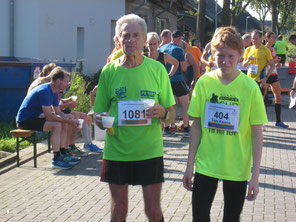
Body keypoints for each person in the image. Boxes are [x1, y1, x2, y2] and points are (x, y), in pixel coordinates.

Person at [93, 14, 175, 222]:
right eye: (125, 36)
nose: (130, 40)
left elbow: (172, 115)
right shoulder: (108, 72)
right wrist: (100, 120)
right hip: (117, 152)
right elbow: (98, 113)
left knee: (153, 211)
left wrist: (163, 112)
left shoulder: (157, 70)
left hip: (149, 151)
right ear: (118, 40)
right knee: (119, 210)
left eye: (135, 35)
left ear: (144, 38)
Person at [183, 26, 268, 222]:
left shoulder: (250, 88)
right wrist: (189, 166)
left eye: (231, 56)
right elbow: (196, 126)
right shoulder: (204, 83)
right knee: (200, 217)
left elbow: (257, 133)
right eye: (220, 55)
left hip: (237, 167)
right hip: (206, 165)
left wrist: (255, 176)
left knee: (231, 218)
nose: (225, 61)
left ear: (240, 55)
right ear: (213, 54)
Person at [16, 67, 81, 169]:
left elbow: (58, 112)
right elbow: (50, 117)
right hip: (25, 121)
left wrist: (70, 121)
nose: (68, 84)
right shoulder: (45, 90)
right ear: (58, 81)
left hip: (35, 118)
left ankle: (63, 153)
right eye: (66, 81)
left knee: (64, 122)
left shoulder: (54, 91)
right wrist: (70, 120)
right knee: (56, 125)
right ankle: (56, 159)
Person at [27, 66, 102, 154]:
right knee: (61, 123)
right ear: (57, 79)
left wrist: (69, 115)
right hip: (32, 117)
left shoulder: (54, 89)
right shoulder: (43, 87)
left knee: (75, 118)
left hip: (42, 114)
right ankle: (61, 153)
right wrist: (70, 118)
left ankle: (68, 150)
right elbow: (49, 113)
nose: (68, 84)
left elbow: (56, 109)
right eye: (66, 81)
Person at [158, 30, 190, 134]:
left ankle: (167, 126)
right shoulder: (179, 50)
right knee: (185, 104)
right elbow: (184, 68)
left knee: (169, 103)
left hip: (165, 80)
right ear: (180, 38)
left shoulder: (161, 49)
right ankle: (186, 126)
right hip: (177, 79)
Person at [264, 32, 288, 128]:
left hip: (274, 74)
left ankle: (278, 121)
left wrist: (277, 64)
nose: (274, 39)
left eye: (275, 37)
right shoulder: (263, 49)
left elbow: (273, 63)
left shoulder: (273, 49)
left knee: (278, 96)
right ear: (267, 38)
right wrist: (275, 61)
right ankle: (261, 122)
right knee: (262, 98)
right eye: (272, 37)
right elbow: (265, 62)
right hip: (266, 75)